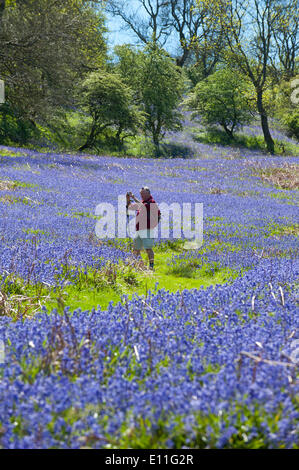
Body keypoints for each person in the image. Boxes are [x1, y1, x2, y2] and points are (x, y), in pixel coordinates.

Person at [126, 186, 161, 271]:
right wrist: (128, 199)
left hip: (147, 229)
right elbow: (130, 207)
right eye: (141, 194)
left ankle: (151, 267)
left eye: (144, 194)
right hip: (139, 229)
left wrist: (133, 197)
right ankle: (137, 266)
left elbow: (143, 207)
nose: (142, 195)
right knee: (136, 249)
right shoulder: (143, 202)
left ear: (149, 193)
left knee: (148, 248)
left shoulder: (151, 202)